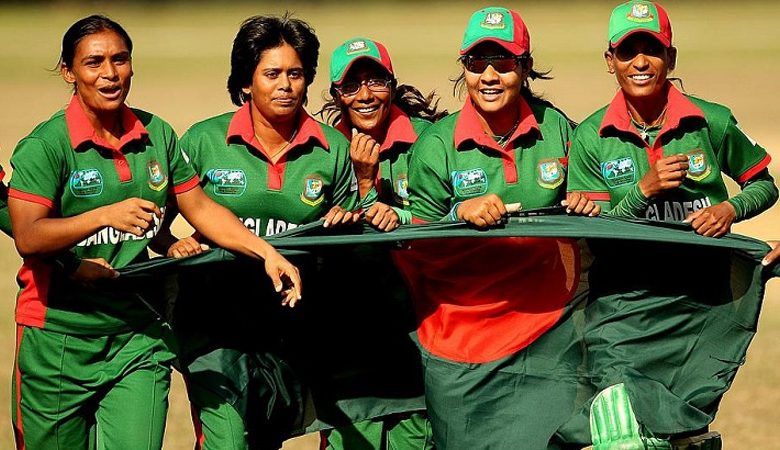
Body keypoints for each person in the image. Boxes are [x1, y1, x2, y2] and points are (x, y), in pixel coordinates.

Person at [7, 15, 301, 450]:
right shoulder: (46, 146)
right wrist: (104, 216)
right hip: (58, 339)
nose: (110, 74)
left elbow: (201, 208)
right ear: (68, 72)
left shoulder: (156, 134)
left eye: (120, 59)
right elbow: (29, 236)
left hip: (138, 335)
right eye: (94, 63)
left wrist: (266, 253)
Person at [565, 1, 778, 448]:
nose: (641, 62)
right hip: (622, 309)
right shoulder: (591, 136)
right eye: (628, 51)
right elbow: (598, 233)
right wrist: (642, 190)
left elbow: (763, 184)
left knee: (681, 429)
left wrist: (730, 209)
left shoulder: (711, 120)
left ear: (671, 58)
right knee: (618, 428)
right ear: (610, 61)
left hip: (699, 303)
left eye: (653, 49)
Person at [401, 7, 599, 449]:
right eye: (476, 63)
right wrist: (458, 215)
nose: (489, 76)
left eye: (504, 62)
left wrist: (588, 201)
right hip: (459, 341)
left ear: (525, 68)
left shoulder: (558, 129)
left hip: (548, 331)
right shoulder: (436, 145)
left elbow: (598, 200)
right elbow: (415, 249)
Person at [161, 15, 360, 450]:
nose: (285, 85)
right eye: (272, 74)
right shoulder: (203, 140)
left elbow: (347, 239)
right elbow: (157, 222)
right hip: (213, 326)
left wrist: (349, 220)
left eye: (296, 73)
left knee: (265, 439)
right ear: (246, 82)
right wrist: (175, 243)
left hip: (292, 330)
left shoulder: (333, 149)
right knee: (229, 440)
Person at [311, 37, 446, 449]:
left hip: (423, 325)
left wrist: (372, 192)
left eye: (376, 81)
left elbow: (444, 218)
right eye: (352, 86)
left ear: (393, 83)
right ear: (336, 94)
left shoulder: (431, 140)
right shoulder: (322, 147)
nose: (365, 95)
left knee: (416, 437)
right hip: (348, 334)